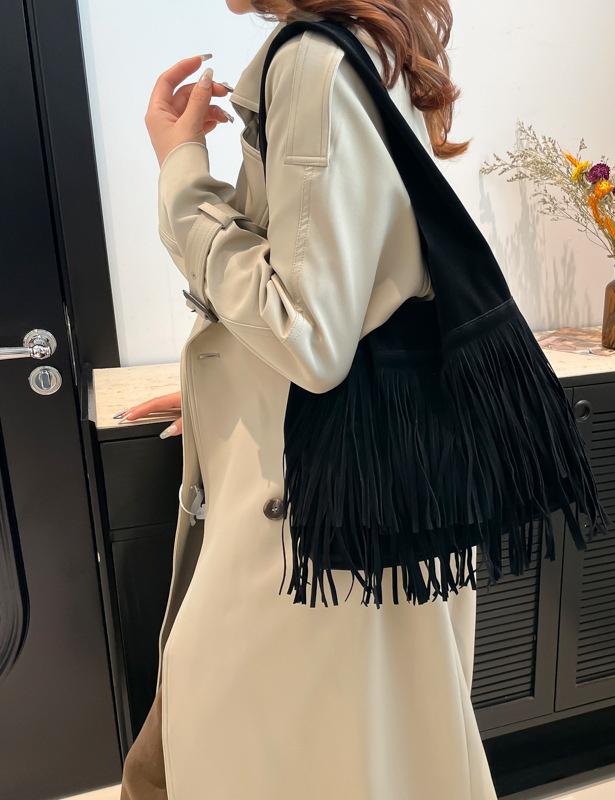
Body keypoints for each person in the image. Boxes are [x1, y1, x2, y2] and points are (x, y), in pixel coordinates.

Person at [118, 1, 499, 798]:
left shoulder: (308, 61)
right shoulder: (378, 46)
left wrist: (182, 171)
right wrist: (225, 390)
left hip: (313, 523)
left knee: (222, 755)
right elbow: (354, 299)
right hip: (382, 490)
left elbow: (309, 336)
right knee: (381, 753)